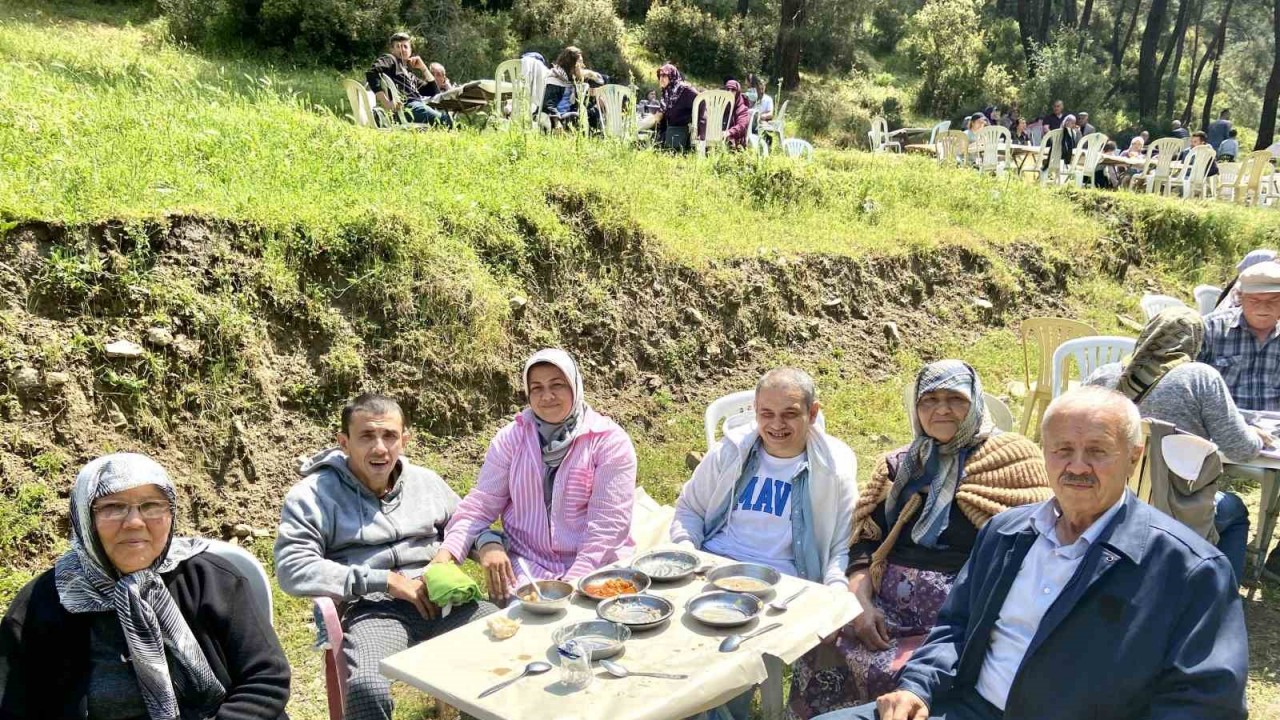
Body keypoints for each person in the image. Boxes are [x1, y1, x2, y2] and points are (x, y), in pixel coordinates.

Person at [816, 387, 1249, 720]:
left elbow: (1204, 703)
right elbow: (955, 627)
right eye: (1062, 450)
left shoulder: (1189, 570)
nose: (1077, 466)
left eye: (1097, 451)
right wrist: (918, 688)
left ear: (1133, 458)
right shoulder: (1007, 532)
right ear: (1044, 454)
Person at [788, 361, 1051, 718]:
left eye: (954, 398)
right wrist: (860, 603)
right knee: (819, 646)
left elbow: (1031, 552)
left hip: (957, 619)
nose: (941, 409)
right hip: (883, 611)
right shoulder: (901, 466)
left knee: (901, 673)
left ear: (974, 403)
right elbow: (865, 542)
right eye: (929, 399)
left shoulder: (1011, 461)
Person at [0, 453, 291, 719]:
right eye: (113, 507)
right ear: (84, 519)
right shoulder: (43, 604)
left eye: (152, 505)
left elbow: (266, 679)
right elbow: (14, 707)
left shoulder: (211, 579)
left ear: (172, 512)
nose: (135, 522)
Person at [275, 394, 498, 720]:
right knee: (367, 687)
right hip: (375, 608)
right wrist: (386, 581)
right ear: (344, 442)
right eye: (366, 436)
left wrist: (488, 544)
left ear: (404, 439)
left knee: (501, 651)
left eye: (390, 436)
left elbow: (468, 523)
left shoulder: (426, 481)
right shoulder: (313, 495)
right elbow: (292, 568)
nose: (380, 448)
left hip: (446, 598)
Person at [672, 368, 858, 720]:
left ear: (813, 413)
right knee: (677, 650)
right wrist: (688, 553)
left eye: (790, 414)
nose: (776, 425)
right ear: (755, 411)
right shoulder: (731, 453)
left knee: (730, 658)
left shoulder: (833, 469)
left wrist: (835, 595)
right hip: (713, 571)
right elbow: (689, 510)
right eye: (766, 414)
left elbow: (840, 547)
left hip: (780, 589)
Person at [436, 349, 637, 597]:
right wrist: (447, 555)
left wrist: (573, 584)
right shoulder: (511, 439)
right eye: (537, 388)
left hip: (597, 565)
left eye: (557, 385)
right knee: (523, 626)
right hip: (528, 565)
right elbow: (481, 504)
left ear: (575, 386)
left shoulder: (607, 441)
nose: (547, 396)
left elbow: (608, 526)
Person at [1085, 306, 1265, 580]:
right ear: (1195, 342)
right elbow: (1241, 448)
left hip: (1102, 501)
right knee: (1236, 509)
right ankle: (1218, 602)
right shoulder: (1199, 378)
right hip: (1174, 511)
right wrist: (1257, 436)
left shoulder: (1103, 376)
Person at [1199, 259, 1280, 413]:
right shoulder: (1210, 329)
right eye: (1254, 300)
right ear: (1240, 298)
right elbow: (1190, 389)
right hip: (1221, 423)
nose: (1263, 307)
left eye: (1273, 300)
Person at [366, 32, 452, 128]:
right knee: (447, 121)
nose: (402, 49)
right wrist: (386, 103)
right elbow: (372, 73)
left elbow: (434, 91)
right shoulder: (390, 59)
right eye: (398, 46)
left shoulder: (409, 75)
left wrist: (423, 68)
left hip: (418, 107)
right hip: (409, 108)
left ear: (410, 50)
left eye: (405, 46)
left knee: (446, 120)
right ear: (392, 50)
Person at [539, 46, 602, 132]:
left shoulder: (572, 80)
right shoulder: (555, 80)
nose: (583, 65)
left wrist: (590, 74)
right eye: (580, 62)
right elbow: (548, 105)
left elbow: (601, 81)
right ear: (572, 65)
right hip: (558, 119)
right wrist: (557, 122)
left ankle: (597, 140)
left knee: (593, 112)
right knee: (575, 116)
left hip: (570, 115)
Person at [641, 63, 699, 151]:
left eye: (664, 75)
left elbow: (701, 101)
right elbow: (660, 115)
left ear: (672, 76)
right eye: (660, 76)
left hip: (683, 133)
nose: (661, 79)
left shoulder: (685, 90)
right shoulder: (667, 92)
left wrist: (697, 126)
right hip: (670, 133)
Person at [723, 79, 752, 150]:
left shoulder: (742, 108)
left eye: (733, 90)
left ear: (737, 92)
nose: (729, 92)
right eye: (728, 90)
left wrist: (729, 132)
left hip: (734, 141)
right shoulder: (721, 105)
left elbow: (741, 126)